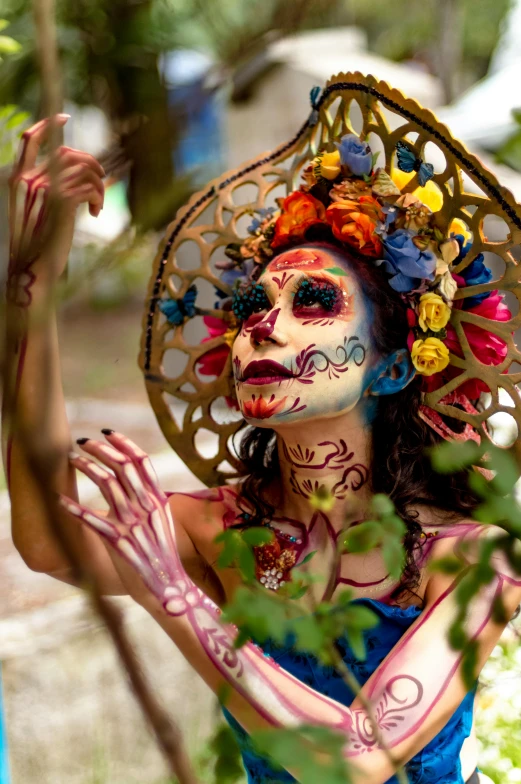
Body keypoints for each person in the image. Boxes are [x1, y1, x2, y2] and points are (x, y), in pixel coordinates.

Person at [4, 74, 521, 784]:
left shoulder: (471, 561)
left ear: (393, 367)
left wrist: (178, 597)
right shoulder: (214, 528)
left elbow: (356, 759)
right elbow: (45, 542)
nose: (263, 326)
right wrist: (32, 294)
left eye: (312, 301)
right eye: (252, 303)